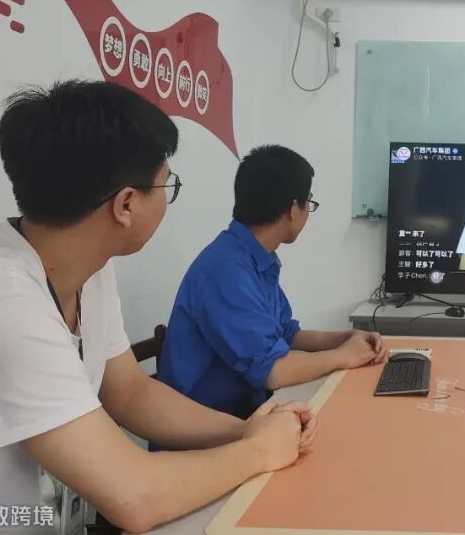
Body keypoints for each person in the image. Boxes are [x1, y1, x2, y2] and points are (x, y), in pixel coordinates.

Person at [0, 81, 315, 534]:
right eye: (167, 184)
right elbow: (134, 497)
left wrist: (245, 430)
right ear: (125, 204)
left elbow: (130, 392)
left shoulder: (88, 271)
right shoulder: (0, 307)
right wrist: (259, 451)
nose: (167, 197)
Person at [157, 144, 388, 422]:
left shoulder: (254, 257)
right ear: (293, 209)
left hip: (245, 413)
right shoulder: (227, 271)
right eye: (308, 202)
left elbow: (286, 334)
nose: (308, 211)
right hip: (207, 428)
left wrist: (346, 339)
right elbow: (274, 371)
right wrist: (342, 356)